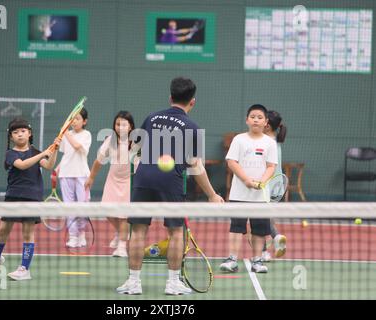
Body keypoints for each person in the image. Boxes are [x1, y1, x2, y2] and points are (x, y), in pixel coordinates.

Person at [116, 77, 224, 295]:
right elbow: (196, 165)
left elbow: (135, 148)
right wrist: (212, 195)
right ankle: (173, 283)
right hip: (171, 181)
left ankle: (133, 283)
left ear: (170, 97)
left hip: (143, 177)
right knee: (176, 232)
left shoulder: (151, 118)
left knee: (137, 231)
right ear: (192, 102)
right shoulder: (192, 128)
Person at [0, 118, 60, 280]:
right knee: (3, 230)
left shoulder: (36, 152)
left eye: (23, 131)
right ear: (11, 137)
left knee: (27, 232)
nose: (20, 135)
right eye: (15, 132)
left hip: (32, 197)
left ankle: (24, 268)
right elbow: (22, 165)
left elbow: (49, 166)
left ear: (29, 134)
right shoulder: (10, 154)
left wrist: (55, 150)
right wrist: (43, 153)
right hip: (13, 197)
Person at [219, 104, 278, 274]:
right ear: (247, 120)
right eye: (252, 117)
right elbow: (231, 162)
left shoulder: (270, 143)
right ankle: (232, 259)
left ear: (266, 122)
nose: (256, 120)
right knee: (236, 227)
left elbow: (271, 166)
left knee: (259, 229)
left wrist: (262, 182)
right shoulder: (239, 139)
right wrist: (246, 180)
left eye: (260, 117)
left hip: (260, 195)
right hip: (239, 193)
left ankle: (257, 261)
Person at [85, 111, 136, 258]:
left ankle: (121, 247)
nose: (120, 127)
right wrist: (91, 178)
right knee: (108, 212)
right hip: (113, 180)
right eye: (118, 124)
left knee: (123, 216)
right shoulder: (110, 140)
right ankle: (121, 232)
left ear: (131, 127)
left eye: (124, 124)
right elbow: (98, 161)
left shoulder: (136, 142)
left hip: (128, 181)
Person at [56, 108, 92, 248]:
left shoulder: (86, 134)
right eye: (72, 119)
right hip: (65, 174)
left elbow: (77, 147)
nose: (74, 122)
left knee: (82, 207)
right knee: (69, 207)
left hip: (82, 174)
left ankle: (82, 234)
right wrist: (58, 168)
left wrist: (65, 133)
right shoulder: (67, 134)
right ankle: (72, 237)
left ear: (84, 121)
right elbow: (67, 154)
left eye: (77, 119)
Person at [261, 110, 287, 262]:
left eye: (262, 119)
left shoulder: (266, 143)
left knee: (258, 221)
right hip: (277, 188)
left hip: (266, 188)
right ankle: (273, 243)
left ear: (268, 125)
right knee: (266, 220)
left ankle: (267, 248)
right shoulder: (275, 141)